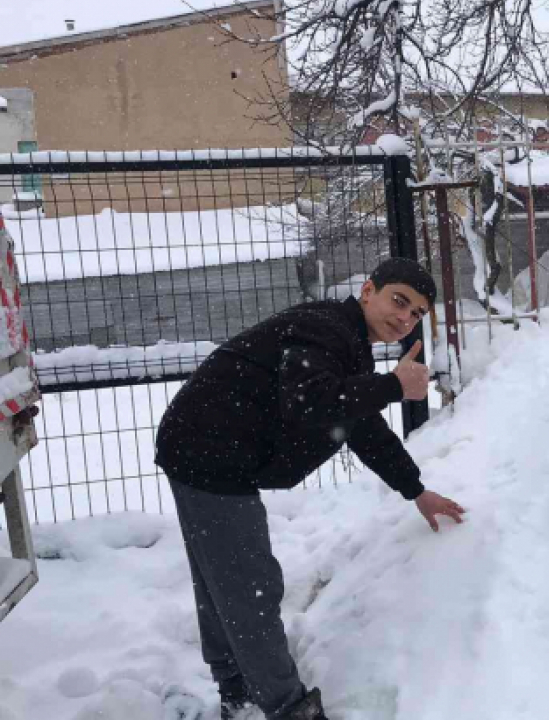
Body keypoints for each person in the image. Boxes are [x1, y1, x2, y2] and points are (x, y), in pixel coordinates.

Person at [155, 258, 466, 720]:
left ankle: (237, 689)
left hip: (205, 447)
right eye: (399, 301)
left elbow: (359, 424)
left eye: (417, 313)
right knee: (248, 583)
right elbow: (310, 402)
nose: (405, 318)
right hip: (211, 452)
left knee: (224, 578)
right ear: (367, 290)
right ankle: (287, 708)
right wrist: (394, 386)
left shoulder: (346, 342)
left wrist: (415, 490)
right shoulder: (325, 330)